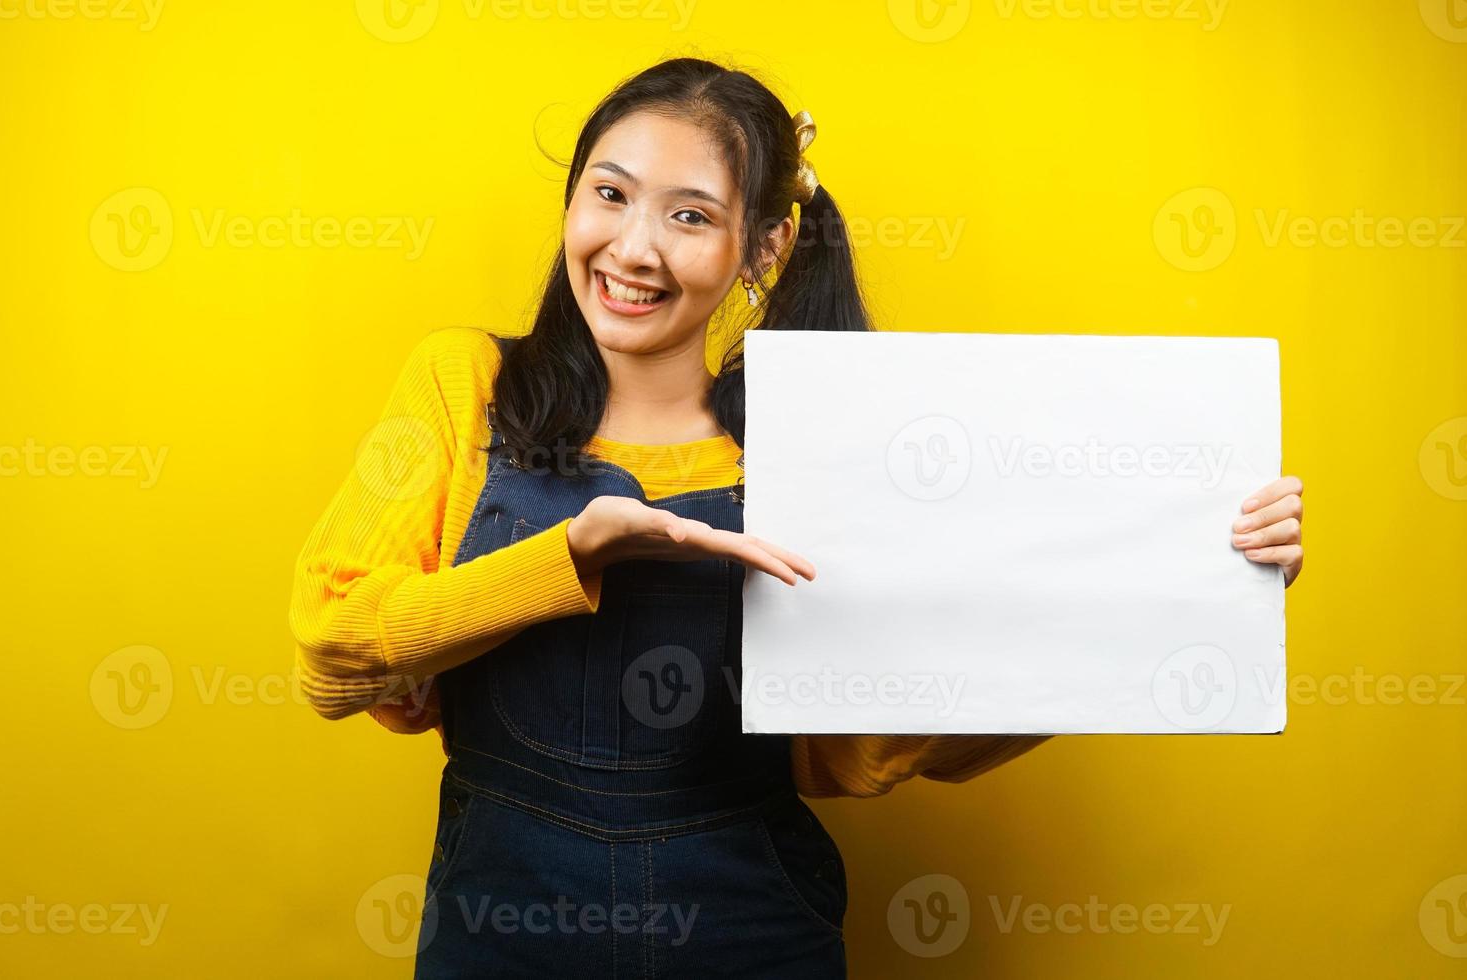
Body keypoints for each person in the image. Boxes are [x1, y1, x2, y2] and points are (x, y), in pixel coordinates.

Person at [288, 56, 1306, 978]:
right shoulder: (462, 385)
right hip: (497, 923)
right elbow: (333, 651)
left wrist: (1197, 594)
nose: (631, 247)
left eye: (688, 215)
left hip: (746, 923)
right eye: (609, 194)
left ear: (762, 244)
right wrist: (572, 552)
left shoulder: (815, 445)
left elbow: (857, 750)